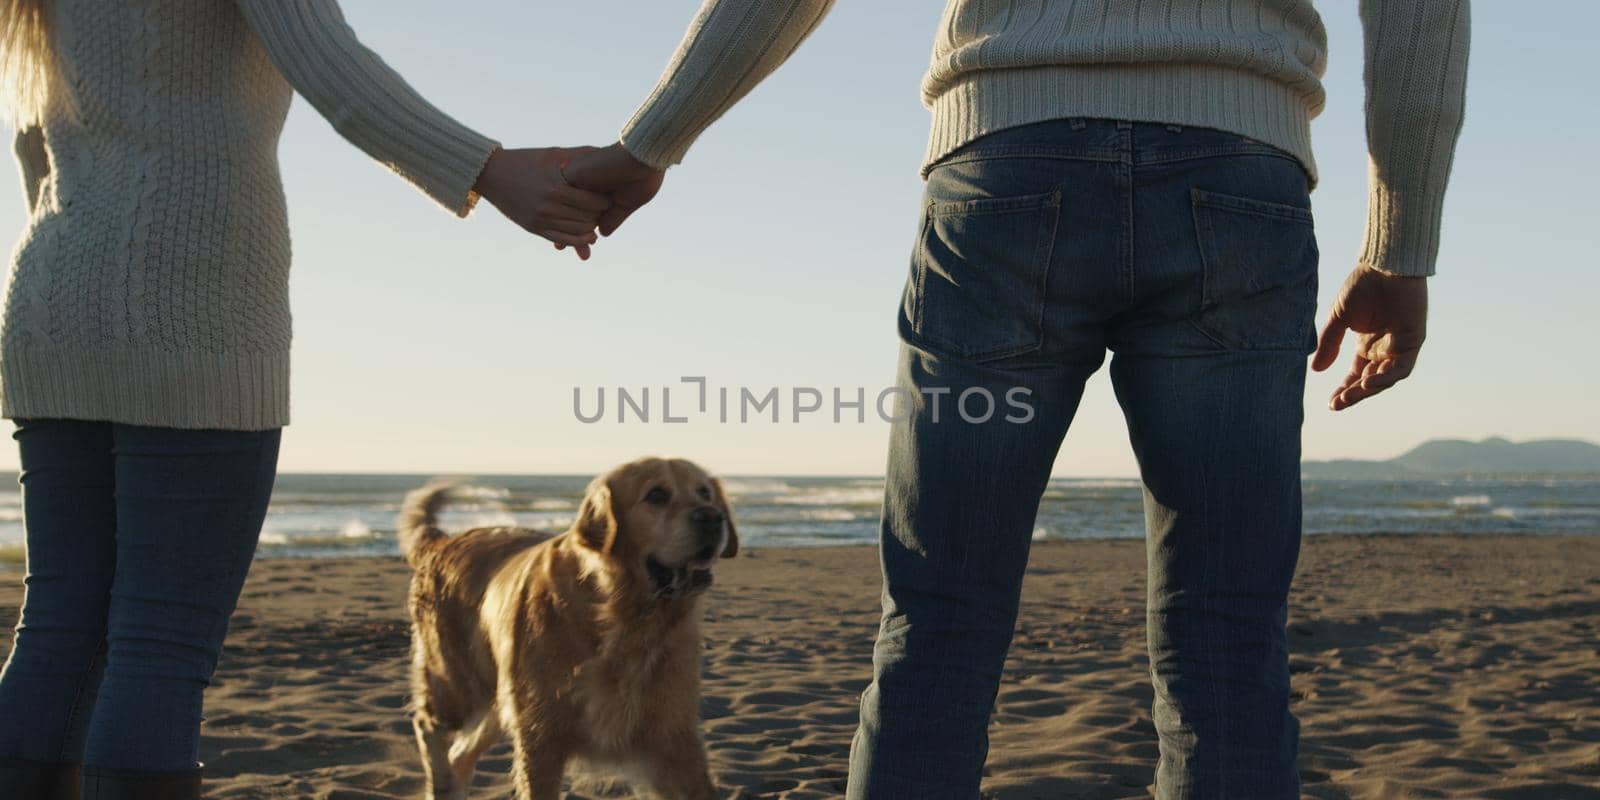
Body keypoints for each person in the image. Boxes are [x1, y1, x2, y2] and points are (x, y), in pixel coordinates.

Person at [565, 0, 1469, 797]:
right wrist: (1402, 241)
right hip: (1237, 181)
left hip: (1005, 170)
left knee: (940, 617)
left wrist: (653, 142)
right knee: (1228, 629)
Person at [0, 0, 611, 796]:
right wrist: (488, 171)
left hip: (54, 292)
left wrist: (87, 279)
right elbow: (329, 65)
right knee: (159, 642)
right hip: (193, 306)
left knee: (57, 630)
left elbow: (30, 135)